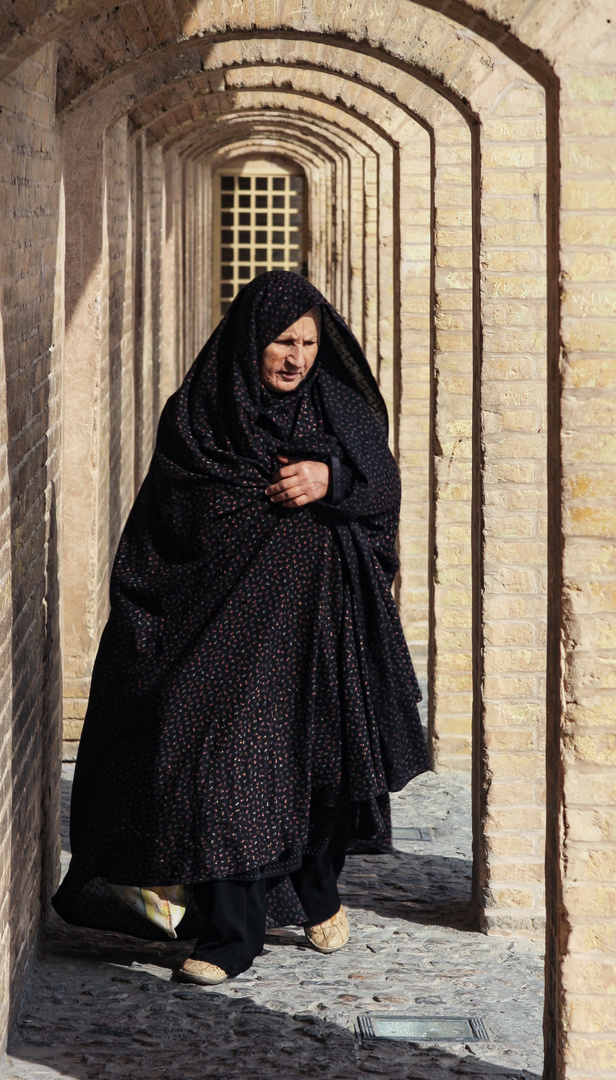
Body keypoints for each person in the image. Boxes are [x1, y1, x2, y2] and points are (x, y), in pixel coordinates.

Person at [53, 270, 429, 985]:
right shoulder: (200, 415)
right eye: (282, 342)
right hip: (219, 631)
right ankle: (231, 935)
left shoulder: (339, 409)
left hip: (321, 628)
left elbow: (383, 484)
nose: (296, 358)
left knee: (316, 766)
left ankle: (316, 892)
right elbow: (172, 520)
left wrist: (331, 481)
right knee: (219, 765)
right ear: (250, 339)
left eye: (309, 342)